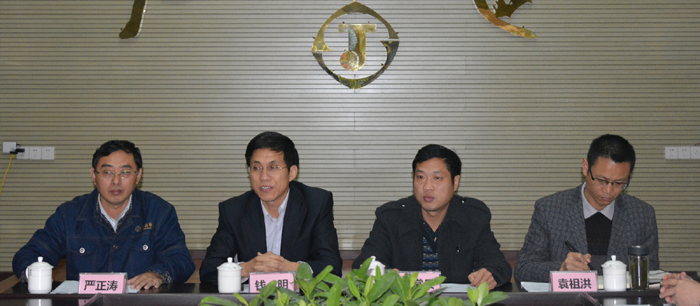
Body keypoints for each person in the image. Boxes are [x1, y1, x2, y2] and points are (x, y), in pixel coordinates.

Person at [13, 140, 195, 290]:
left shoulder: (159, 212)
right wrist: (34, 273)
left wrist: (158, 274)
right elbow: (30, 254)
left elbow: (180, 259)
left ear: (138, 175)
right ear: (94, 175)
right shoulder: (70, 214)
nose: (116, 181)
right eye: (107, 172)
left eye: (125, 173)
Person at [352, 144, 512, 289]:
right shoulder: (391, 217)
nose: (427, 187)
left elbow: (497, 264)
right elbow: (363, 264)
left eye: (437, 178)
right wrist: (383, 274)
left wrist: (490, 273)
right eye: (420, 177)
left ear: (455, 182)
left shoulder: (473, 216)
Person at [199, 131, 343, 284]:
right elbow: (209, 270)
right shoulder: (233, 210)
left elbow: (332, 267)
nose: (264, 177)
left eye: (273, 167)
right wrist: (247, 268)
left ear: (292, 172)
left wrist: (291, 268)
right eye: (256, 168)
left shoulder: (316, 204)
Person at [514, 134, 659, 283]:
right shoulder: (549, 210)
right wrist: (561, 268)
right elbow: (524, 269)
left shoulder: (642, 215)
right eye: (602, 180)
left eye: (619, 183)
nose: (608, 190)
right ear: (586, 167)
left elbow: (651, 273)